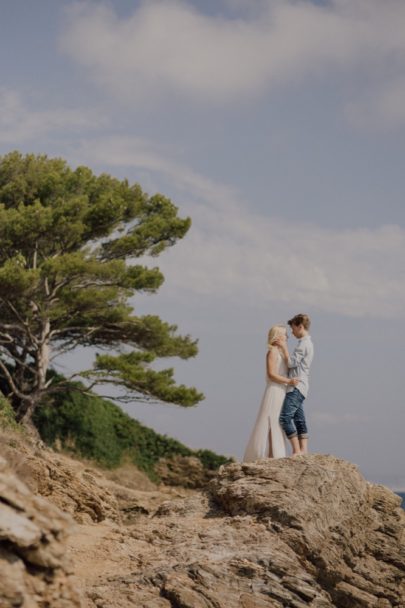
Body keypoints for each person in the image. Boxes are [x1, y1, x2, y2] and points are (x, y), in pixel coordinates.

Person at [243, 325, 299, 462]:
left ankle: (273, 452)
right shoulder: (272, 352)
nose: (287, 337)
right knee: (271, 420)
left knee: (277, 422)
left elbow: (290, 364)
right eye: (285, 335)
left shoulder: (281, 352)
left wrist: (285, 349)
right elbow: (271, 374)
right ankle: (267, 453)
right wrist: (289, 381)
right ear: (278, 336)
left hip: (282, 390)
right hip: (274, 390)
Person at [276, 313, 314, 457]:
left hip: (297, 386)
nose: (291, 332)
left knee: (285, 418)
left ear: (300, 326)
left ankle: (297, 451)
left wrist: (284, 347)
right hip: (301, 386)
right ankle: (304, 450)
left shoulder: (304, 344)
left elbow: (292, 363)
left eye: (293, 328)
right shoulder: (306, 343)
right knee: (299, 418)